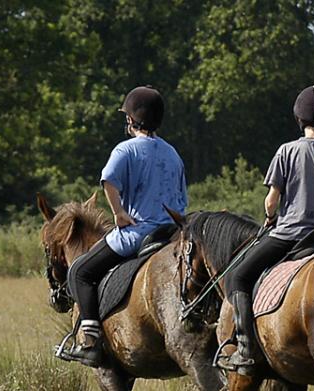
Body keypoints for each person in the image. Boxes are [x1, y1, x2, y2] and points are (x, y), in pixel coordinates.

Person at [221, 85, 314, 375]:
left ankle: (246, 348)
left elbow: (271, 201)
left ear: (299, 118)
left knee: (238, 276)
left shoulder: (287, 151)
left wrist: (269, 217)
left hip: (290, 233)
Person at [58, 86, 188, 367]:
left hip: (138, 233)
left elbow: (108, 181)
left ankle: (90, 341)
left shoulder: (126, 149)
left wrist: (118, 213)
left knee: (80, 271)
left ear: (131, 119)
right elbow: (181, 201)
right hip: (171, 234)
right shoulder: (172, 153)